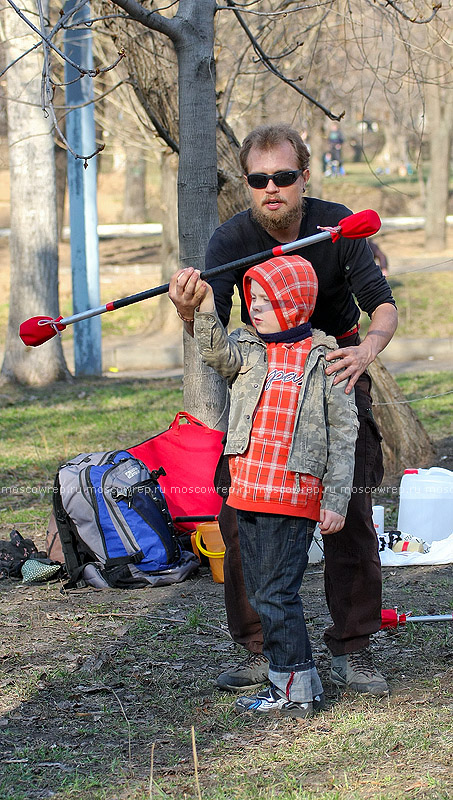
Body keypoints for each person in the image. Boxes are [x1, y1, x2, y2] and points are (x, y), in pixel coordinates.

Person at [169, 122, 398, 698]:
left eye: (284, 177)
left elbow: (383, 308)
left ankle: (352, 647)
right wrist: (186, 309)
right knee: (241, 520)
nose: (272, 188)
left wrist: (365, 352)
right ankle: (262, 647)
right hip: (264, 395)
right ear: (248, 183)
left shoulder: (338, 226)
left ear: (304, 175)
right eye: (259, 179)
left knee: (351, 511)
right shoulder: (230, 241)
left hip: (335, 378)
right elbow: (212, 333)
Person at [184, 254, 358, 718]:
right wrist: (203, 309)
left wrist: (336, 498)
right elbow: (216, 355)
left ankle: (294, 689)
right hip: (247, 489)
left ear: (296, 304)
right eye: (252, 298)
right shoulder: (249, 349)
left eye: (266, 300)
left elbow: (343, 437)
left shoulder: (325, 361)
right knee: (262, 591)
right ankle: (299, 680)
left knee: (277, 592)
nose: (254, 307)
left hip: (294, 496)